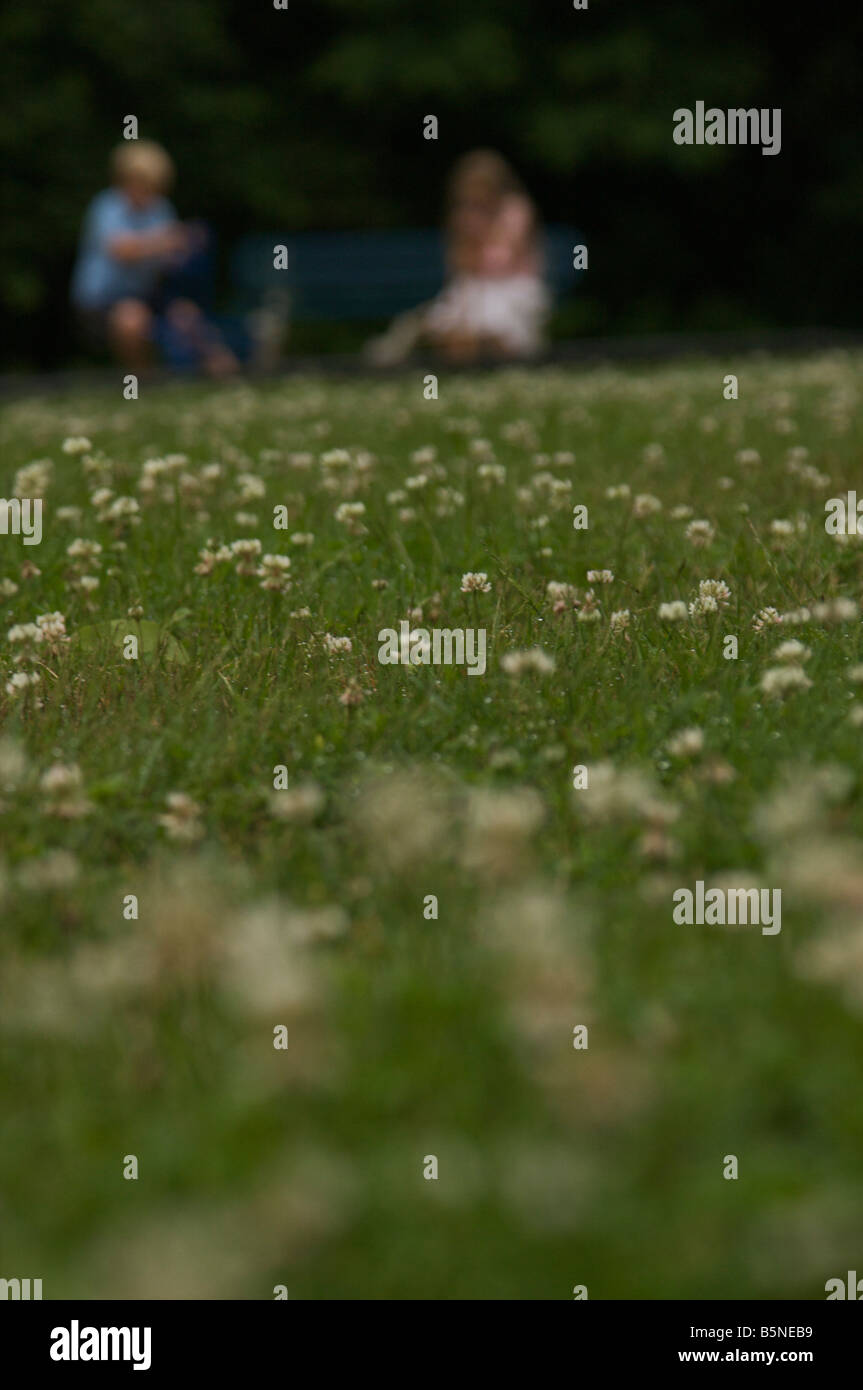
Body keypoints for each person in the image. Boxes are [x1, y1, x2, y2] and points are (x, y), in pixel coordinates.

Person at [366, 150, 550, 365]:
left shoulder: (516, 211)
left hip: (513, 286)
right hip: (474, 285)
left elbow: (503, 262)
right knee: (451, 321)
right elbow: (460, 267)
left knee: (493, 320)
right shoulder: (463, 218)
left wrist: (481, 233)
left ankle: (499, 360)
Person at [71, 140, 237, 375]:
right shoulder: (106, 206)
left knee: (188, 315)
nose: (148, 191)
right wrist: (166, 241)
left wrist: (187, 244)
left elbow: (171, 258)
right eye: (142, 183)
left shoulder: (160, 208)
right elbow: (122, 251)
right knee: (132, 318)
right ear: (125, 179)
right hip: (101, 302)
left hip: (148, 295)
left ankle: (227, 379)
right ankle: (142, 384)